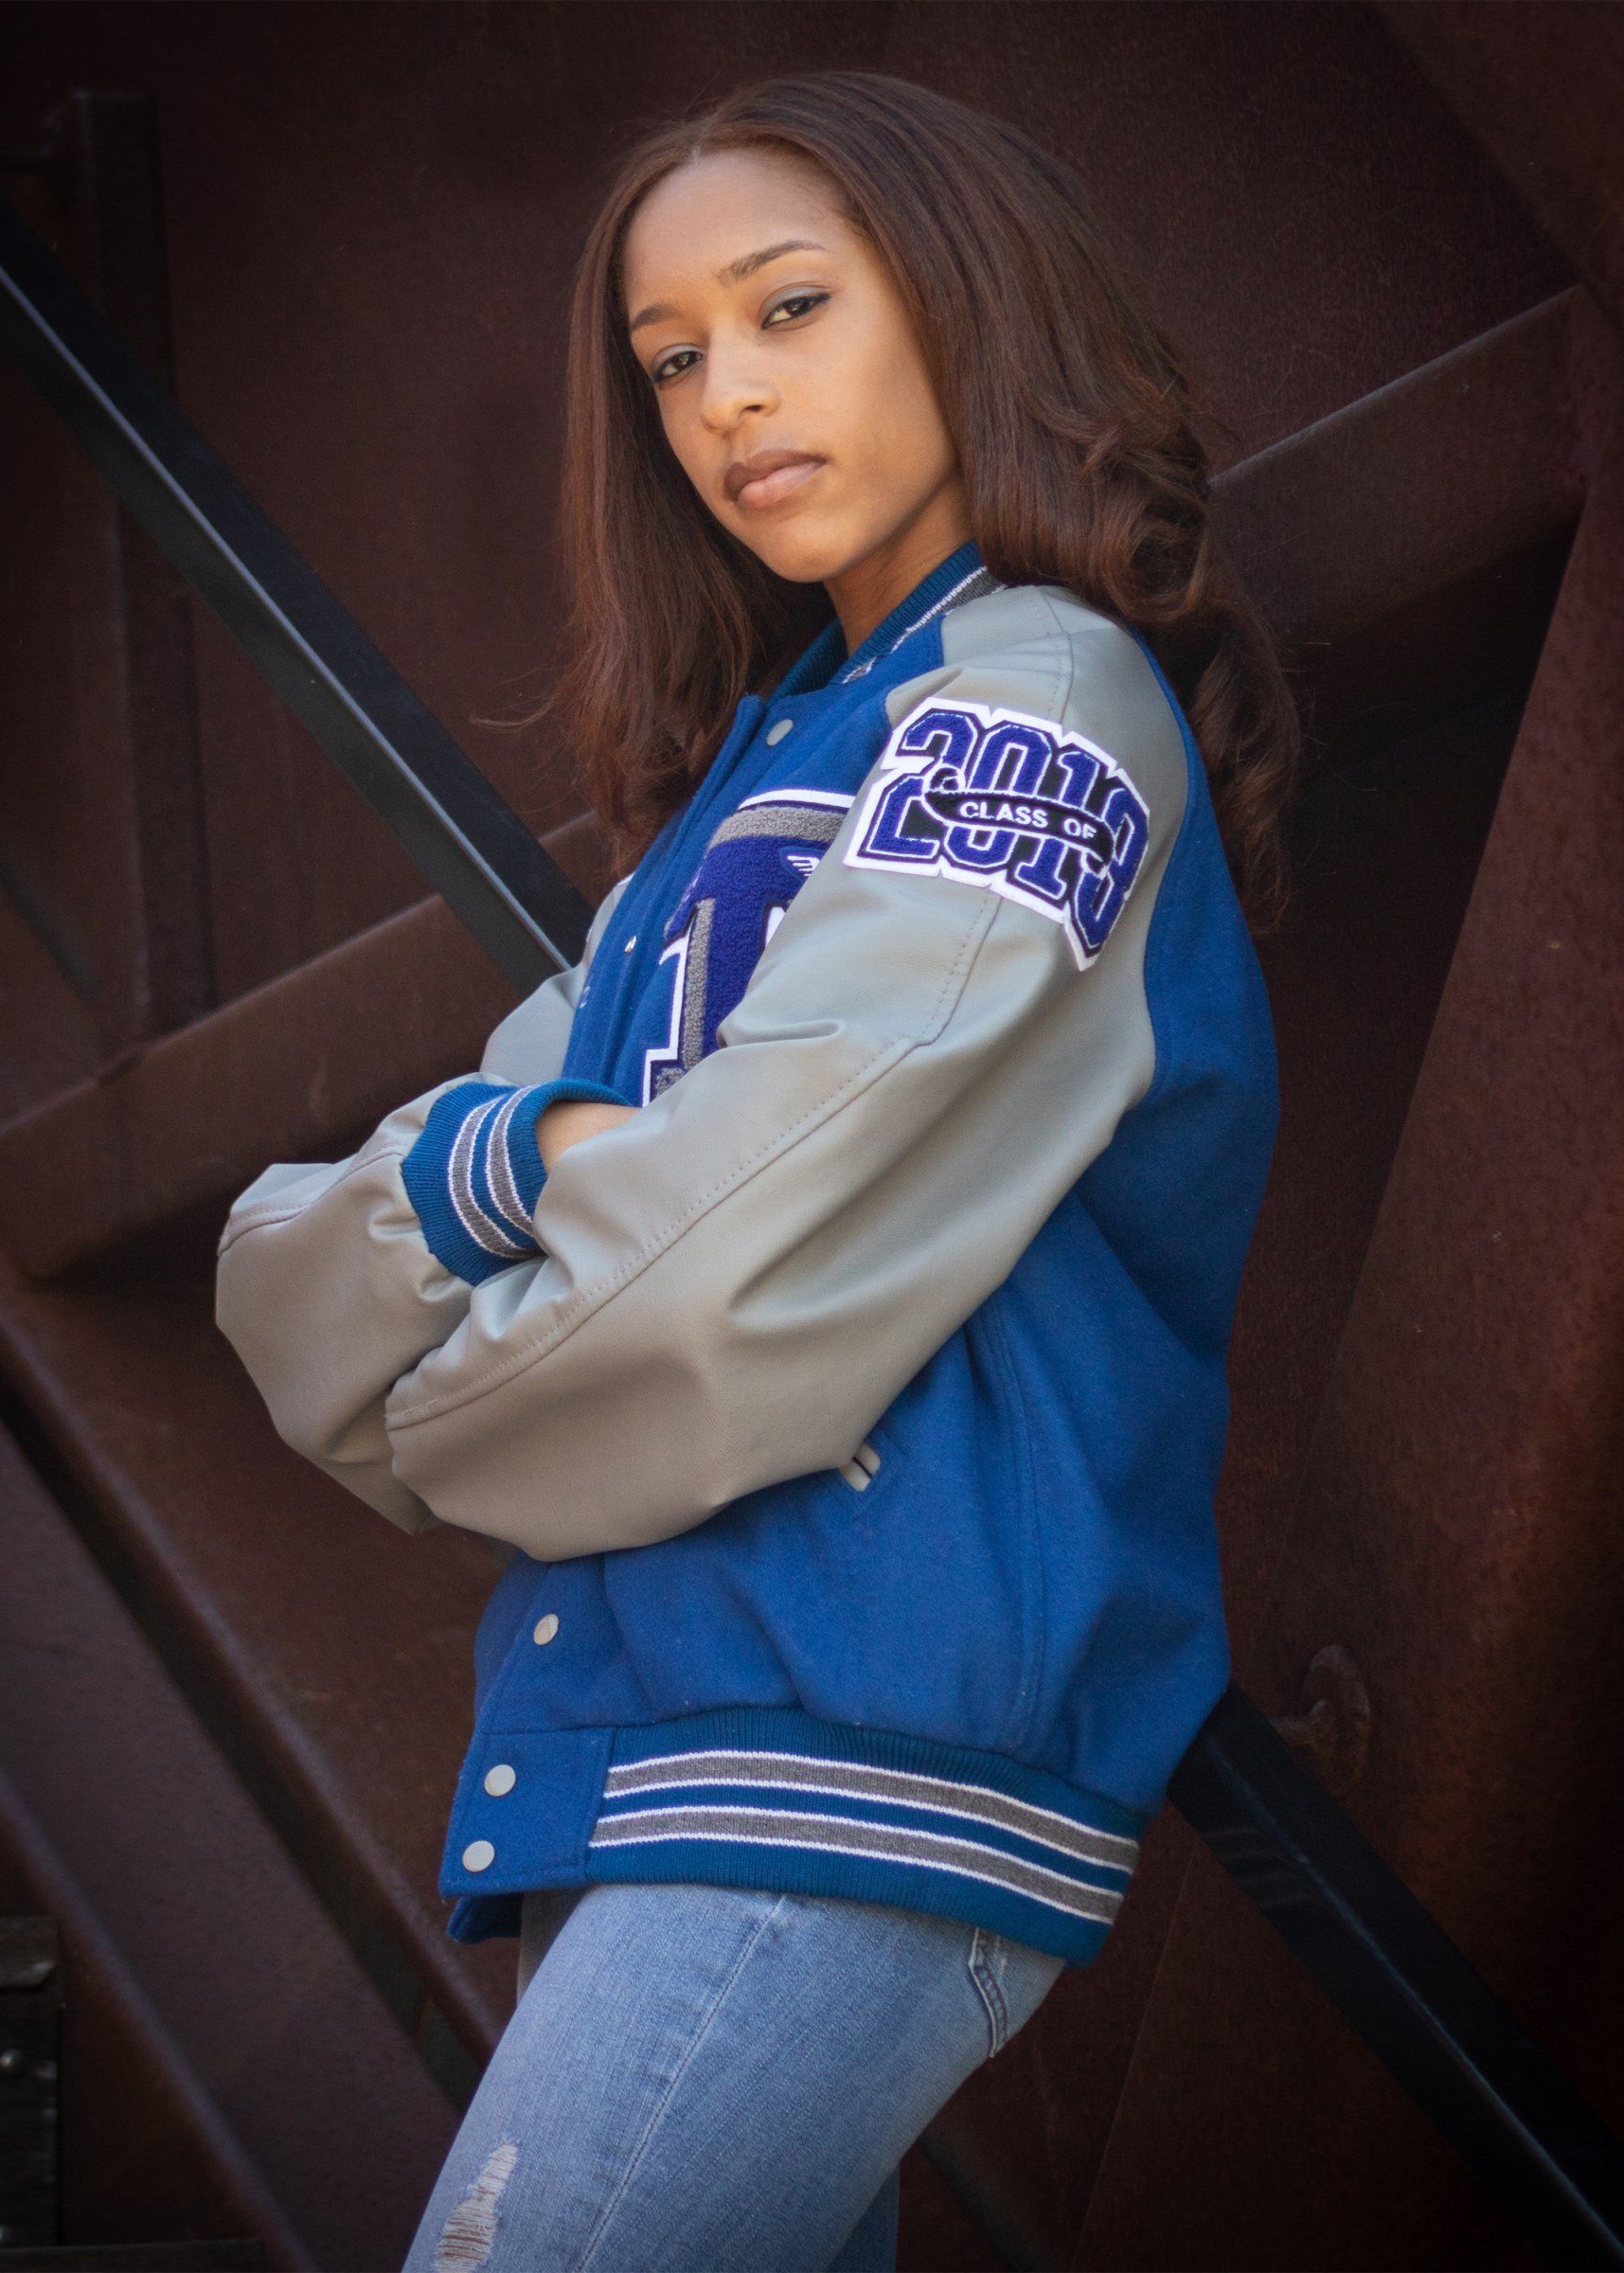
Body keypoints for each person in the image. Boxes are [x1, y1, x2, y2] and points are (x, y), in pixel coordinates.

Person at [215, 67, 1300, 2273]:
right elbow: (283, 1283)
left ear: (967, 303)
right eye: (675, 358)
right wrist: (508, 1166)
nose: (727, 398)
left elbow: (725, 1273)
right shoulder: (756, 786)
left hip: (841, 1760)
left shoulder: (1038, 714)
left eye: (790, 306)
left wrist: (451, 1380)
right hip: (666, 1743)